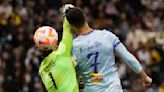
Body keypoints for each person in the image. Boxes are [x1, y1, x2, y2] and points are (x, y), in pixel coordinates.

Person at [65, 7, 152, 92]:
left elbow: (74, 73)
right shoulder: (107, 36)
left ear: (71, 25)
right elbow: (128, 58)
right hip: (113, 88)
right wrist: (145, 77)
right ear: (85, 17)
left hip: (91, 88)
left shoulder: (73, 47)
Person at [33, 18, 79, 92]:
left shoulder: (41, 69)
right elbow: (67, 28)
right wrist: (67, 12)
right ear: (54, 44)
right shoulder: (62, 53)